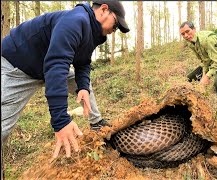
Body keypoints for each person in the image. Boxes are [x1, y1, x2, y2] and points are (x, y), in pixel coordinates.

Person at [1, 0, 130, 163]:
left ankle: (96, 122)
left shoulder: (91, 32)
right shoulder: (76, 21)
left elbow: (83, 63)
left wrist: (82, 87)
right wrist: (61, 121)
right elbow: (56, 66)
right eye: (116, 24)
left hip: (44, 67)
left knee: (85, 85)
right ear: (104, 9)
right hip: (16, 65)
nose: (115, 30)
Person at [179, 21, 217, 120]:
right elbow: (204, 60)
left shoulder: (208, 39)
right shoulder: (191, 43)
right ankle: (187, 107)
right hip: (211, 61)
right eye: (183, 34)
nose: (186, 35)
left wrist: (207, 77)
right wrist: (205, 73)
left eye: (188, 31)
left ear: (194, 29)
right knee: (189, 78)